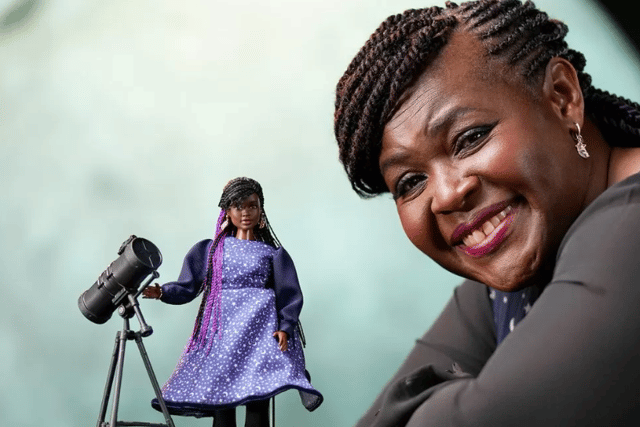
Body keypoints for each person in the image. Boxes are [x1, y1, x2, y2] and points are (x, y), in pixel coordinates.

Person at [333, 1, 640, 425]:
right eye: (410, 182)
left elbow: (490, 418)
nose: (445, 196)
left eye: (470, 138)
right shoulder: (518, 270)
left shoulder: (631, 232)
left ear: (563, 99)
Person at [143, 177, 322, 427]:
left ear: (261, 210)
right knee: (221, 399)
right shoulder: (212, 250)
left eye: (252, 205)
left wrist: (286, 327)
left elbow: (288, 295)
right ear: (227, 211)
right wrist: (163, 291)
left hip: (260, 332)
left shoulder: (273, 254)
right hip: (223, 333)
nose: (246, 212)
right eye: (238, 206)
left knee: (258, 398)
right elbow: (189, 285)